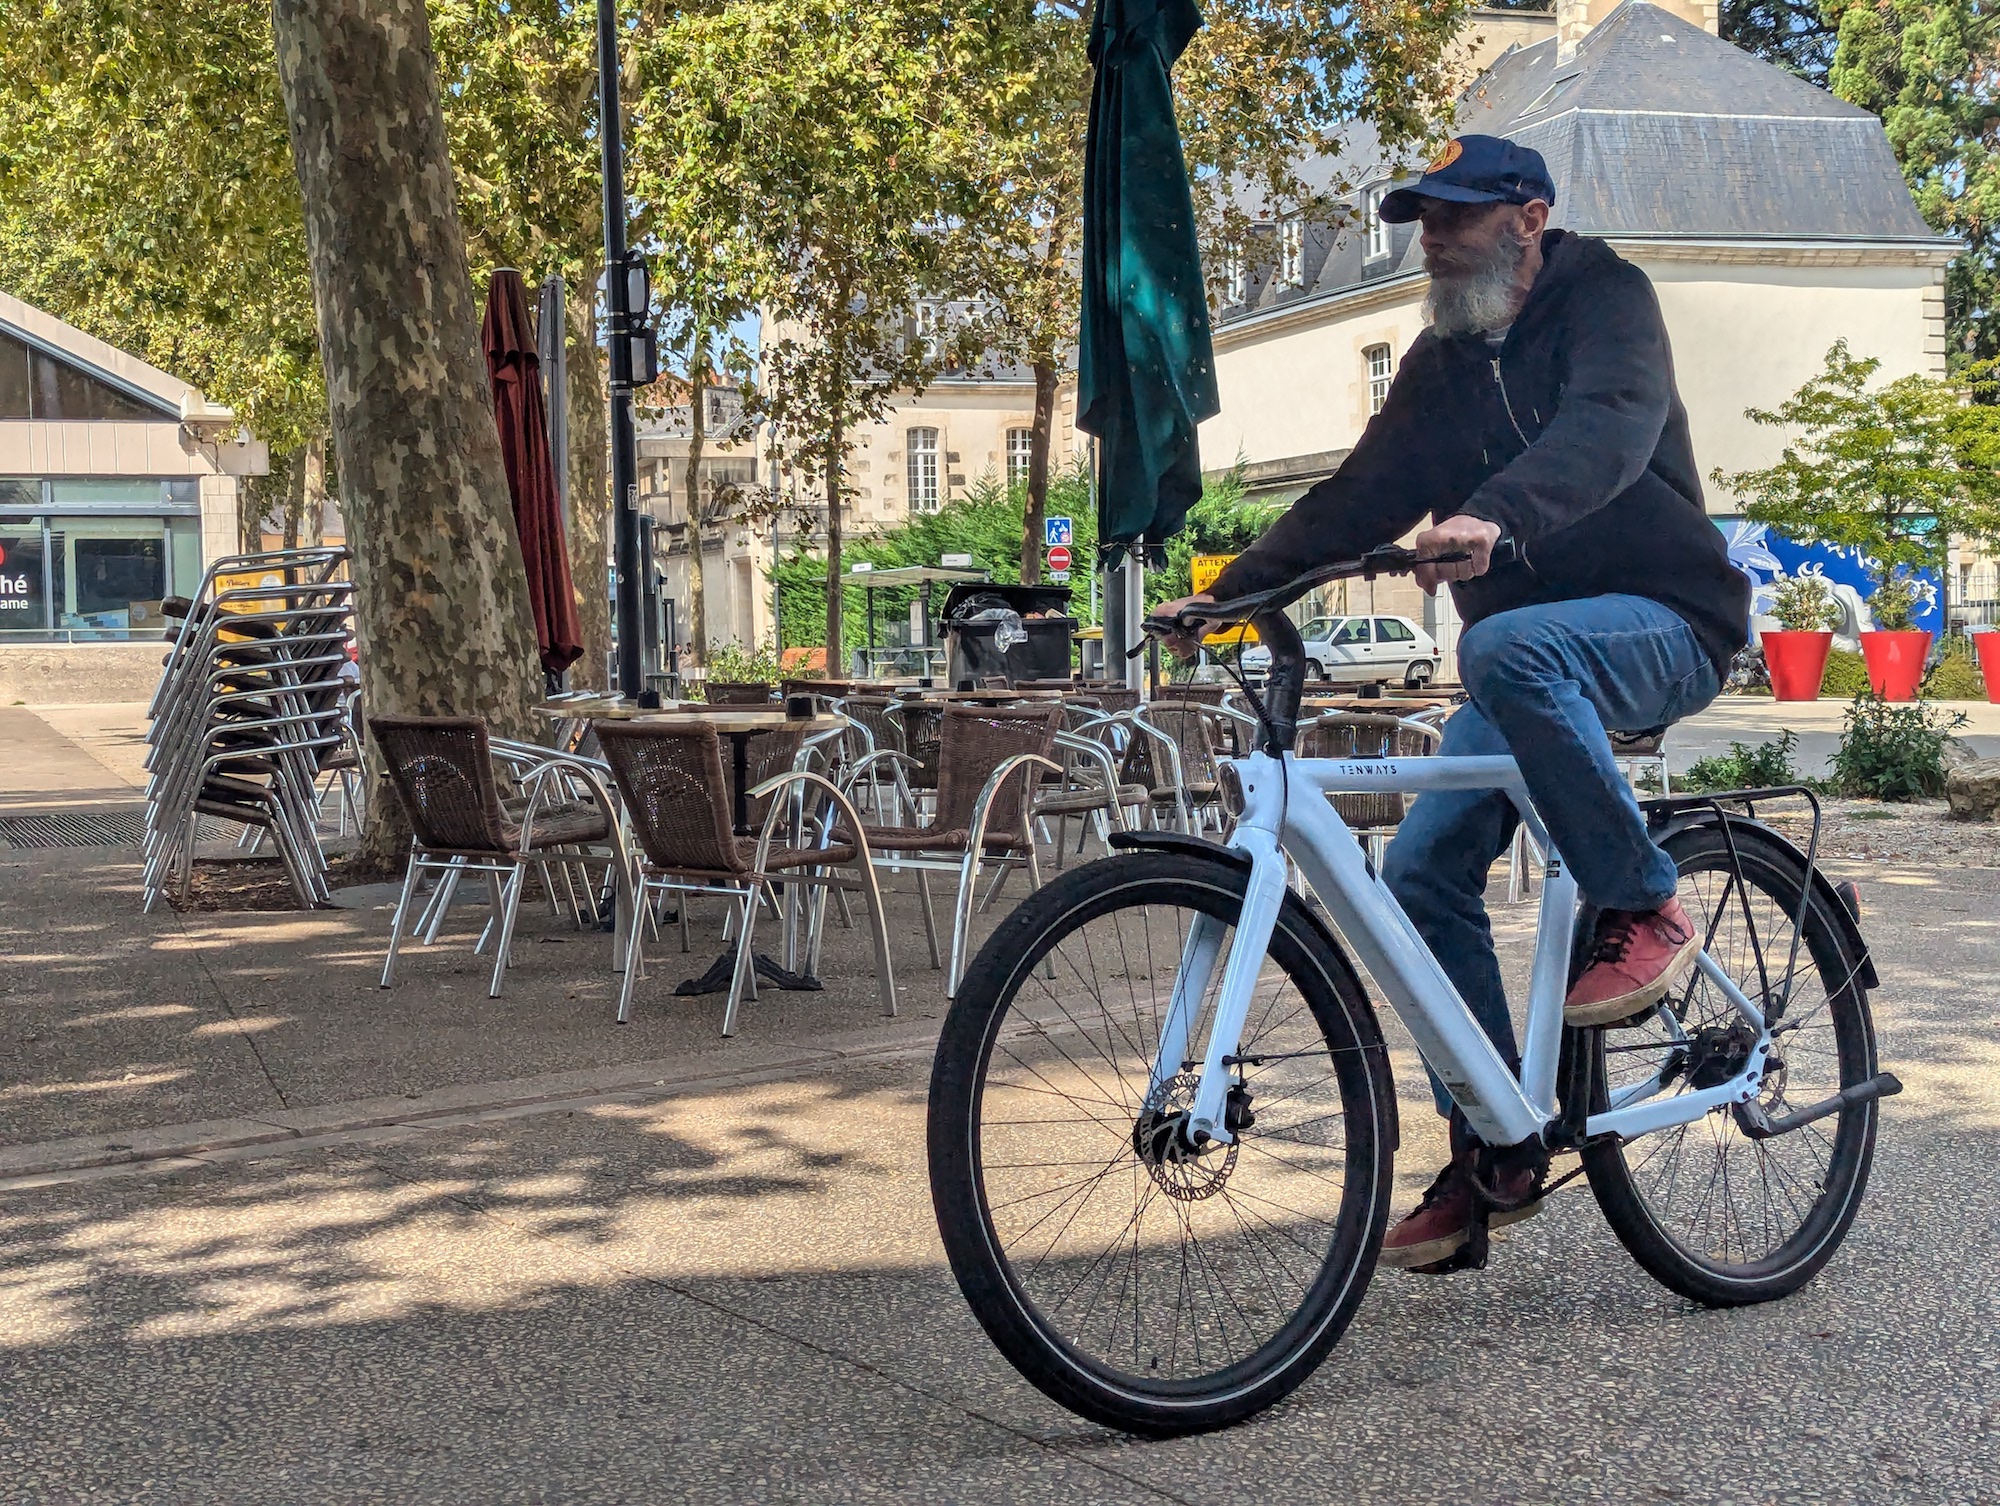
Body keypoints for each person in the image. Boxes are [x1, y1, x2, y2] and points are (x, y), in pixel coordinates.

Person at [1159, 134, 1750, 1272]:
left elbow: (1611, 429)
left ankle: (1645, 905)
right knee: (1423, 868)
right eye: (1421, 219)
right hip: (1526, 662)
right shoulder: (1441, 358)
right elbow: (1358, 491)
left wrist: (1498, 514)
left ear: (1526, 217)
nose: (1430, 239)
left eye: (1455, 217)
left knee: (1509, 649)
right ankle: (1496, 1149)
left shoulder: (1603, 297)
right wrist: (1228, 595)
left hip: (1663, 621)